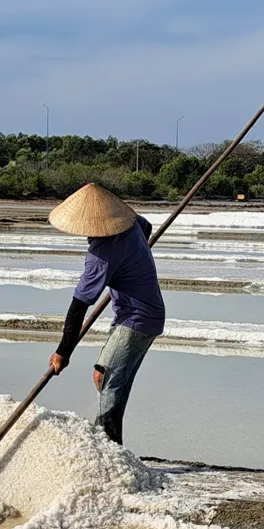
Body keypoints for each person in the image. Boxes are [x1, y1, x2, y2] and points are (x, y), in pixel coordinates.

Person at [47, 183, 165, 445]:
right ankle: (114, 450)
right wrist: (132, 263)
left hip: (137, 319)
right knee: (117, 384)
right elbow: (146, 227)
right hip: (145, 316)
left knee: (106, 377)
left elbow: (79, 305)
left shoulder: (102, 255)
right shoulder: (132, 225)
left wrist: (63, 352)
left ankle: (108, 448)